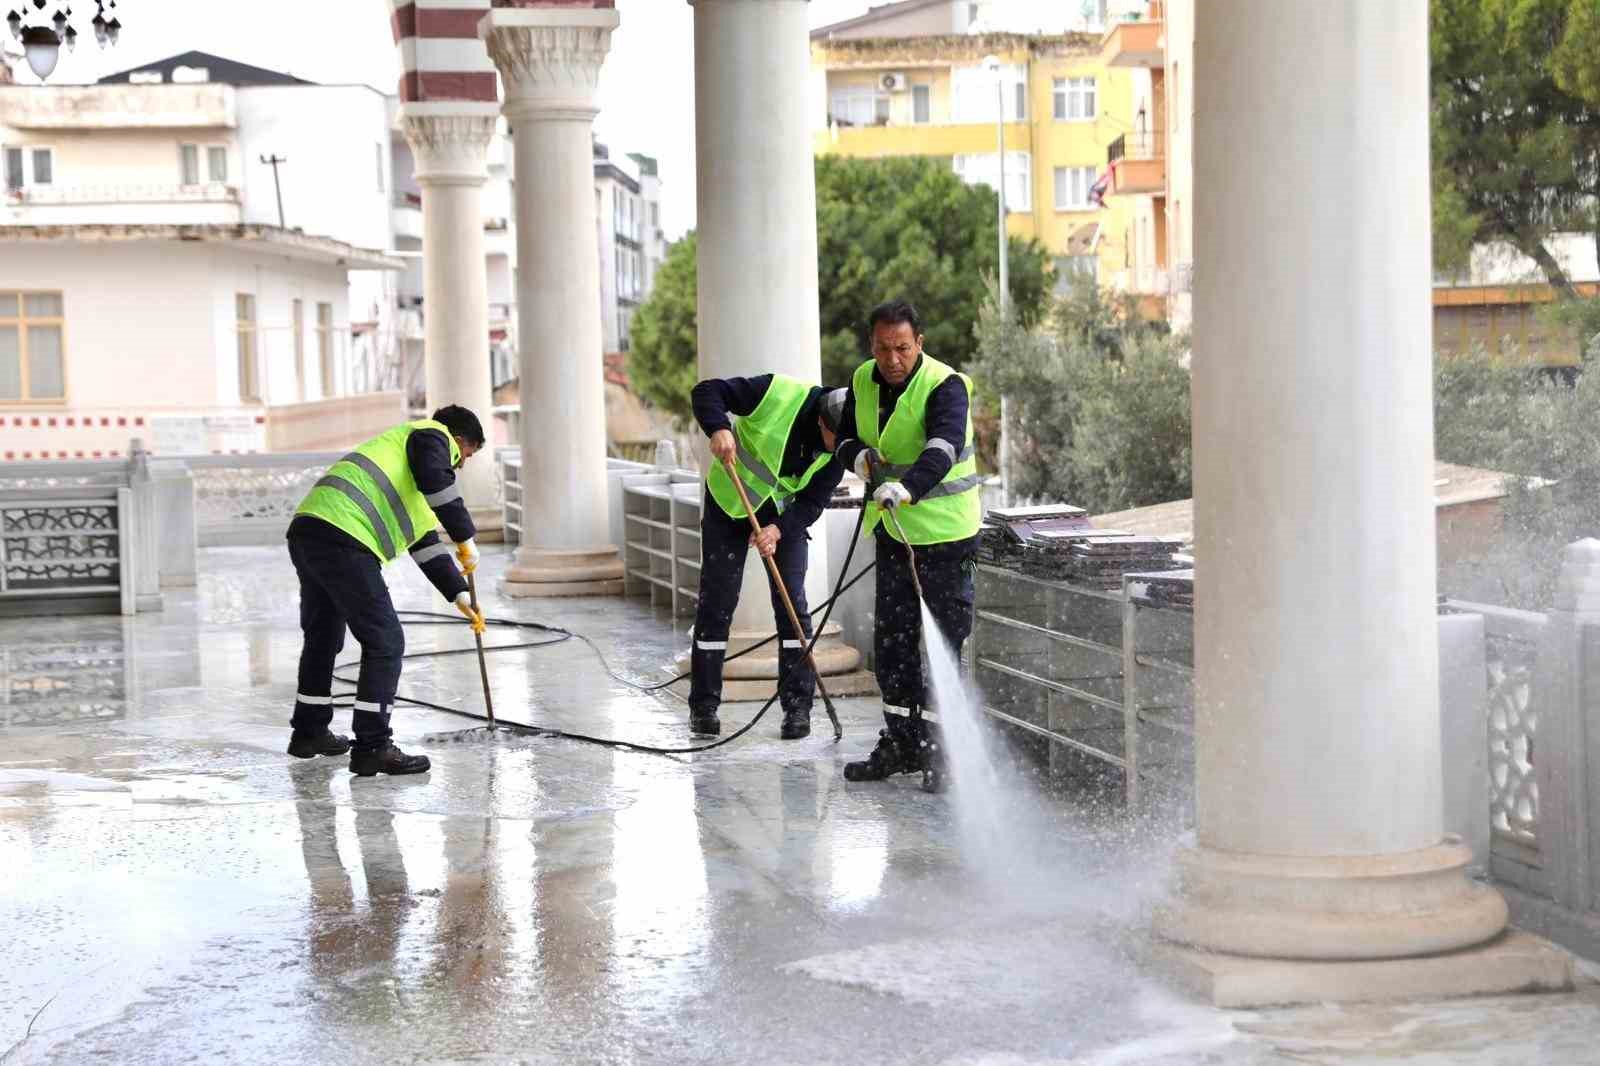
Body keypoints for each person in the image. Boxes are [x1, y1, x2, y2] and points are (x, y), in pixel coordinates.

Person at [825, 300, 982, 784]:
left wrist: (909, 486)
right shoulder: (862, 380)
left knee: (942, 647)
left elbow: (944, 446)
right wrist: (860, 459)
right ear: (871, 346)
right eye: (882, 348)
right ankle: (900, 743)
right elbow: (845, 438)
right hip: (894, 534)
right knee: (891, 645)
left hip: (947, 536)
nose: (892, 360)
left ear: (920, 343)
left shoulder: (945, 386)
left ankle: (942, 753)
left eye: (902, 348)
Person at [284, 405, 487, 777]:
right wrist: (465, 536)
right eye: (467, 456)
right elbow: (436, 478)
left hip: (311, 530)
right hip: (345, 537)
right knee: (385, 642)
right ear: (458, 439)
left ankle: (309, 732)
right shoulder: (430, 436)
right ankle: (373, 746)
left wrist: (461, 596)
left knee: (324, 638)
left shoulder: (405, 468)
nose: (460, 466)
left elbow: (424, 543)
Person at [687, 372, 848, 739]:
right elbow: (707, 391)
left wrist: (778, 530)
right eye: (836, 440)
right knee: (717, 602)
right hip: (730, 501)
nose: (841, 449)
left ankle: (797, 709)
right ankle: (704, 707)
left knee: (793, 606)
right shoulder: (775, 394)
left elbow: (813, 500)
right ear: (822, 421)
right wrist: (718, 428)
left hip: (782, 516)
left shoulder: (840, 449)